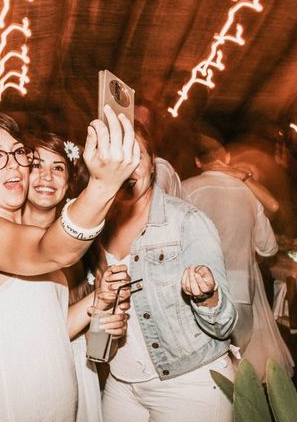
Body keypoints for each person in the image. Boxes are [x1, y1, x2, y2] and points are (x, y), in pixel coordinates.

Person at [0, 106, 137, 422]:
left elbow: (50, 328)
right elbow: (56, 251)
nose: (13, 166)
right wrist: (104, 183)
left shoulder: (25, 234)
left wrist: (98, 298)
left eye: (18, 153)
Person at [100, 124, 237, 422]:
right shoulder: (96, 227)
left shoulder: (187, 222)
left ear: (153, 165)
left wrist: (207, 297)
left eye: (137, 155)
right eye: (119, 155)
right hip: (122, 381)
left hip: (189, 381)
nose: (128, 165)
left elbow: (224, 324)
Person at [182, 130, 293, 381]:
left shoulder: (185, 190)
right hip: (241, 293)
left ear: (198, 162)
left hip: (197, 292)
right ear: (228, 157)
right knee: (240, 372)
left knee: (207, 372)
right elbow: (269, 248)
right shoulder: (247, 194)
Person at [21, 132, 103, 422]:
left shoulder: (88, 247)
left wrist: (109, 329)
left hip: (77, 370)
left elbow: (100, 336)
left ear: (68, 183)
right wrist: (99, 299)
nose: (46, 177)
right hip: (22, 372)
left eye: (58, 168)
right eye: (36, 166)